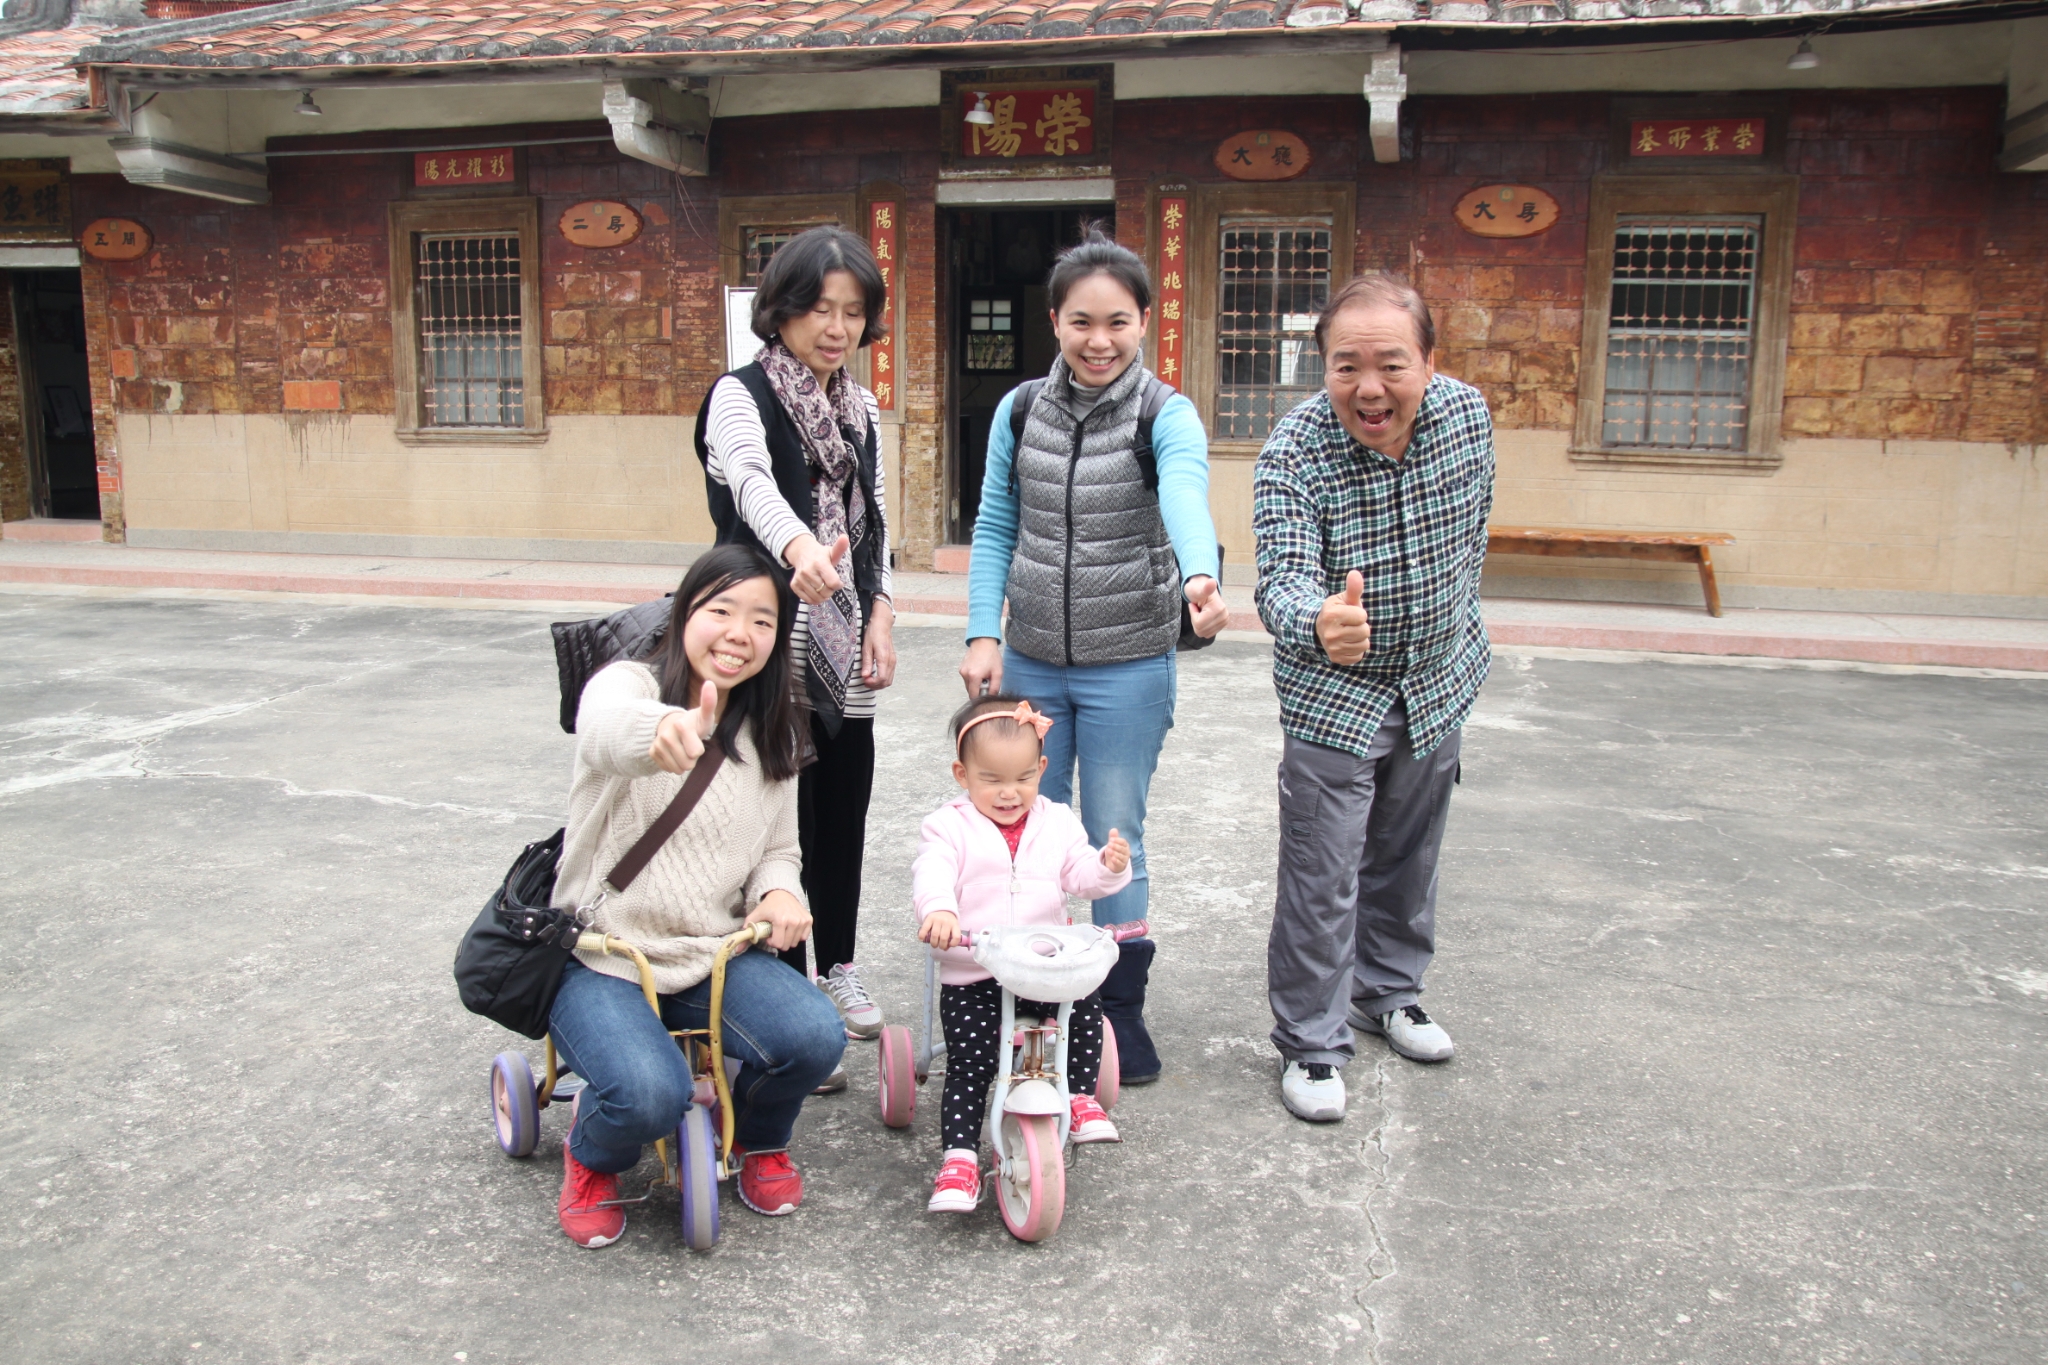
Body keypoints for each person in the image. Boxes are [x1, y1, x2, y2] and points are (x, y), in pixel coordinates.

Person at [958, 228, 1230, 1086]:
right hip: (1033, 660)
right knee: (1023, 830)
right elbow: (996, 523)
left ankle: (1117, 1009)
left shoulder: (1164, 414)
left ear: (1146, 320)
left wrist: (1200, 574)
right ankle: (1030, 993)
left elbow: (1185, 490)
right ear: (1055, 322)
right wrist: (983, 632)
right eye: (1081, 321)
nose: (1099, 340)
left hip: (1129, 663)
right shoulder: (1018, 412)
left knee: (1115, 837)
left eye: (1118, 321)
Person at [547, 544, 847, 1246]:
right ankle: (592, 1155)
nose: (740, 633)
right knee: (649, 1096)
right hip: (601, 956)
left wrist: (779, 894)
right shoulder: (628, 683)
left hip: (710, 954)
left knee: (816, 1038)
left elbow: (779, 850)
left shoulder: (775, 726)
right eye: (721, 610)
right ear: (685, 613)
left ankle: (759, 1137)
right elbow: (604, 728)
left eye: (763, 620)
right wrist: (661, 731)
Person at [1253, 274, 1495, 1124]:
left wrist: (1449, 626)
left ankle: (1388, 991)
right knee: (1322, 871)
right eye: (1345, 366)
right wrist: (1319, 619)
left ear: (1429, 360)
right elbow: (1280, 577)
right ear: (1321, 367)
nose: (1369, 388)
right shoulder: (1293, 450)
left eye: (1391, 364)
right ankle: (1312, 1041)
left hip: (1436, 675)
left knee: (1409, 851)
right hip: (1334, 693)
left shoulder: (1468, 419)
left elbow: (1473, 534)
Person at [693, 226, 897, 1079]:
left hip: (841, 635)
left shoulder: (862, 408)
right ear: (780, 309)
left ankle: (836, 965)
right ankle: (780, 992)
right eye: (819, 308)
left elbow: (874, 516)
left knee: (839, 809)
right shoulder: (738, 395)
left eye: (852, 311)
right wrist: (799, 548)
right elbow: (750, 482)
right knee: (766, 815)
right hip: (760, 634)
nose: (836, 327)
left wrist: (880, 607)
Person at [912, 695, 1133, 1212]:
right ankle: (960, 1159)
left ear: (1042, 769)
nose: (1009, 793)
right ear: (962, 775)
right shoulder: (947, 826)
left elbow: (1080, 875)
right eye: (991, 780)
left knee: (1083, 1006)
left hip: (1043, 969)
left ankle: (1078, 1097)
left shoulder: (1057, 821)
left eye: (1023, 778)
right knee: (970, 1063)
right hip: (975, 972)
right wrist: (939, 910)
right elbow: (933, 870)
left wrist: (1108, 866)